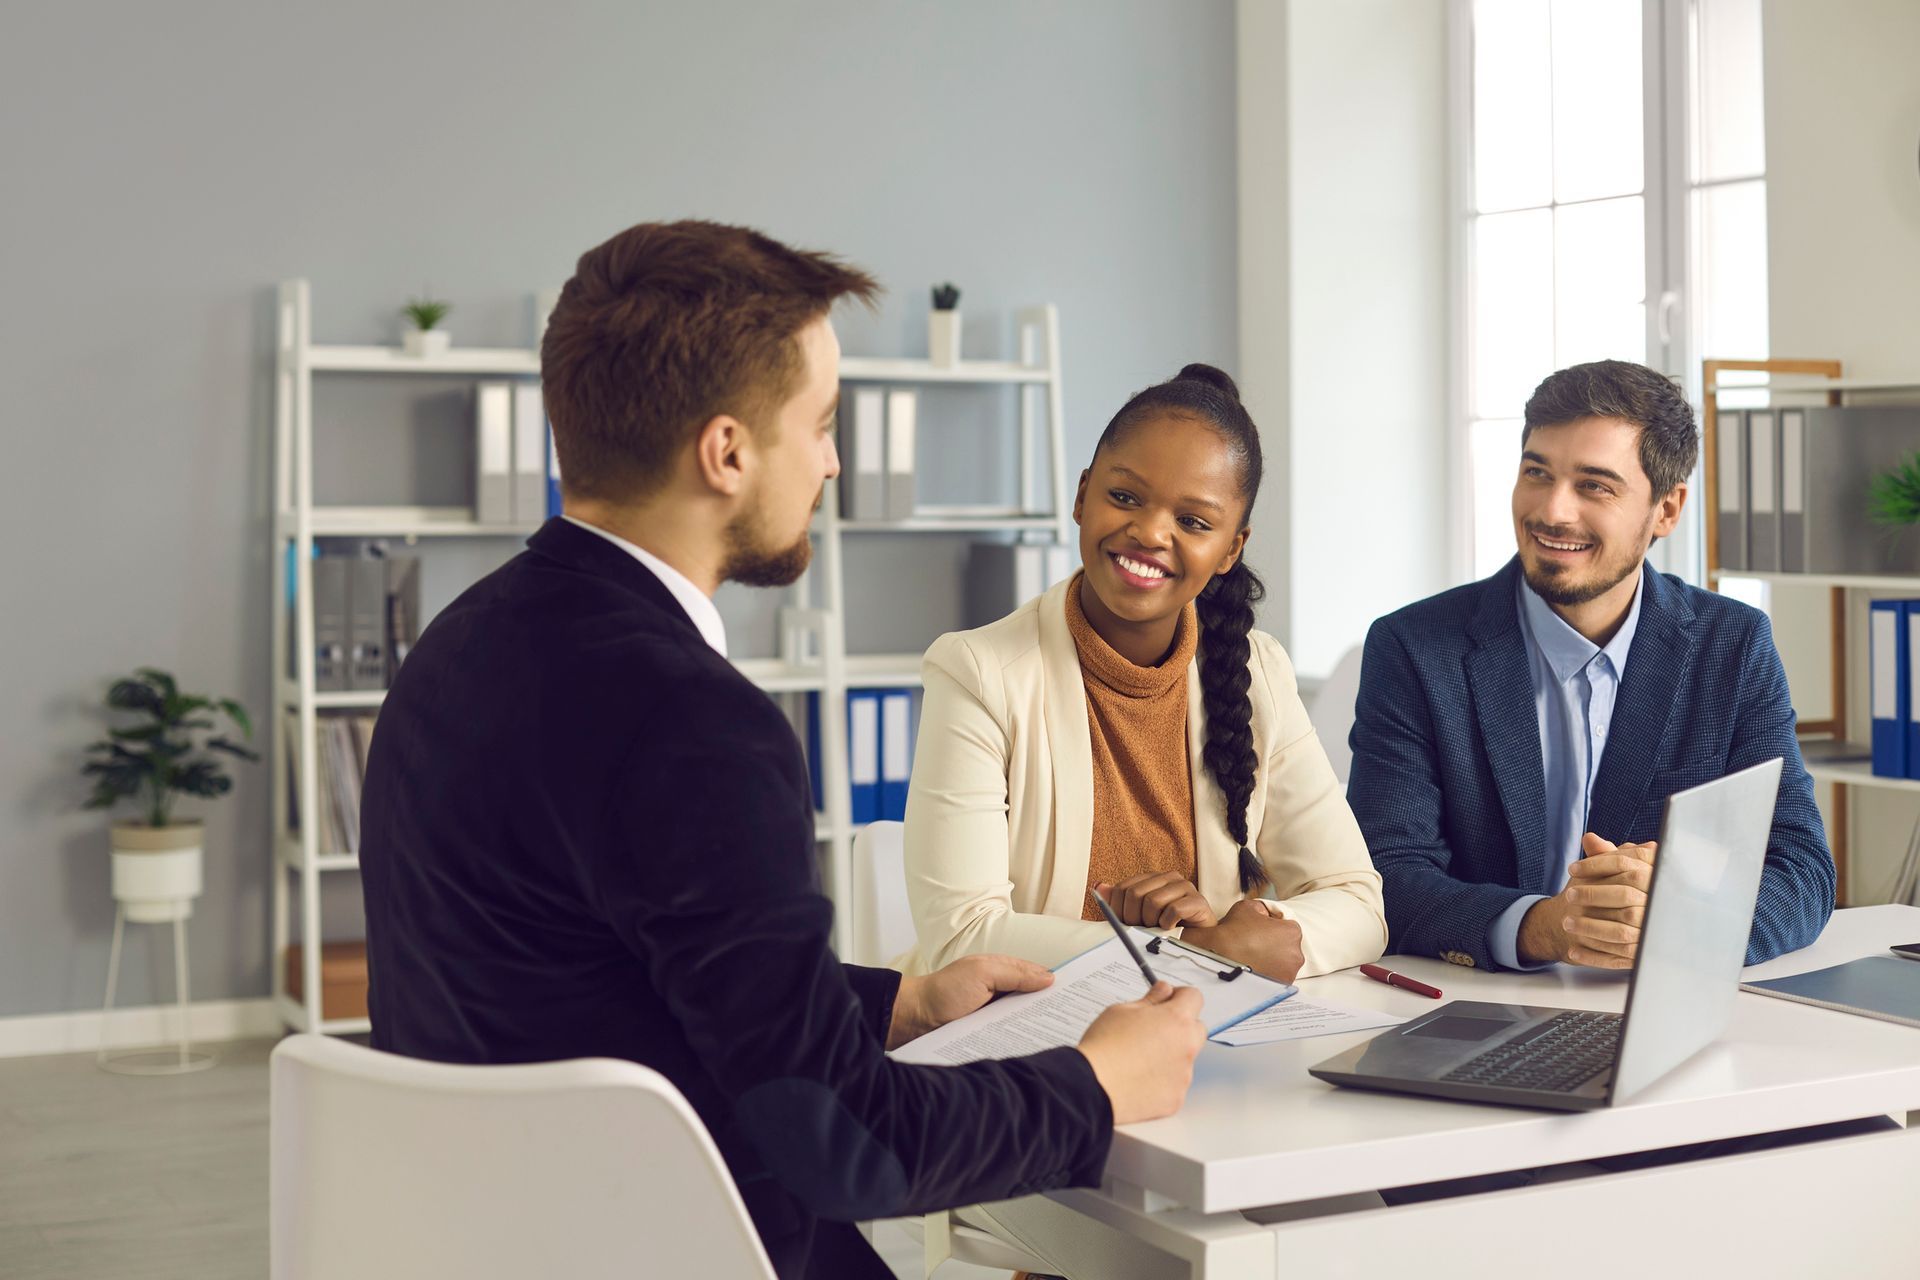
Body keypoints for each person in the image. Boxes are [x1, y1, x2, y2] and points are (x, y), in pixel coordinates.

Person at [357, 220, 1207, 1280]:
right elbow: (848, 1142)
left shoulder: (458, 647)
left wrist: (897, 1003)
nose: (835, 461)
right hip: (674, 1240)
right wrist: (1100, 1082)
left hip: (499, 1234)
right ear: (726, 452)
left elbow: (587, 971)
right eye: (821, 423)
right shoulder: (693, 722)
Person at [901, 363, 1386, 984]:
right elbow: (962, 938)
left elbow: (1357, 902)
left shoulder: (1257, 670)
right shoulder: (978, 673)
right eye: (1125, 497)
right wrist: (1189, 954)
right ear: (1081, 496)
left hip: (1196, 1042)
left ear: (1231, 549)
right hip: (1015, 1044)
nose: (1150, 532)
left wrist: (1243, 931)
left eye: (1194, 521)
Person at [1348, 359, 1833, 974]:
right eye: (1536, 473)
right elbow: (1384, 874)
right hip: (1473, 1008)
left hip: (1656, 1008)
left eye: (1594, 485)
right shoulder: (1414, 647)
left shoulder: (1731, 645)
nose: (1553, 511)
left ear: (1666, 510)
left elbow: (1800, 868)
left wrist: (1684, 916)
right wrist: (1541, 927)